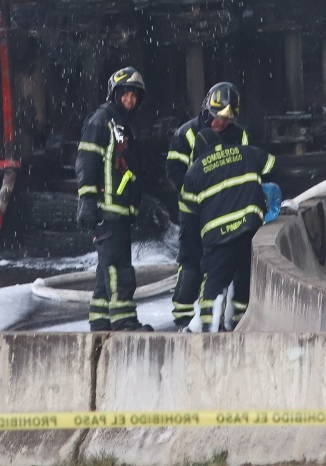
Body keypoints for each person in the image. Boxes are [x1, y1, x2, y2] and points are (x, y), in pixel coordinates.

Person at [179, 118, 277, 332]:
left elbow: (188, 215)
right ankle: (238, 323)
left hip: (219, 237)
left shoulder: (194, 171)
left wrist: (192, 253)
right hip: (249, 230)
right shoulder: (245, 152)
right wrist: (265, 185)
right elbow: (271, 164)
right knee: (244, 278)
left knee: (213, 282)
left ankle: (207, 327)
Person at [75, 67, 152, 332]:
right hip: (106, 209)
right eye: (126, 94)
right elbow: (87, 160)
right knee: (118, 267)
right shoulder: (102, 120)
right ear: (115, 93)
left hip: (120, 210)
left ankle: (100, 320)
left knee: (107, 268)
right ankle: (123, 321)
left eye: (134, 96)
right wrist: (87, 200)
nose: (130, 100)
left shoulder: (124, 125)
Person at [167, 82, 249, 330]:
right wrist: (200, 195)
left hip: (227, 214)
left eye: (227, 118)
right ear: (207, 110)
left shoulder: (239, 135)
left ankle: (227, 319)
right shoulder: (186, 134)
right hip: (195, 213)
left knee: (228, 265)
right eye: (217, 116)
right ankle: (183, 317)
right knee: (191, 263)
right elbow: (174, 172)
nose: (221, 123)